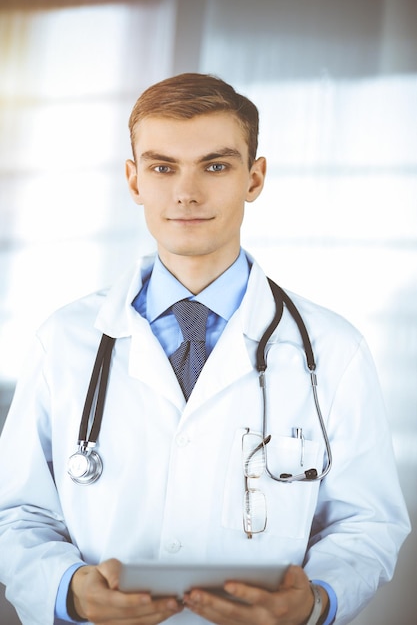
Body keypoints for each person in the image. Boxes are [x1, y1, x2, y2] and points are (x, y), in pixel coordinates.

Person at [0, 73, 410, 625]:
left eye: (215, 165)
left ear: (255, 177)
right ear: (134, 179)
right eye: (162, 167)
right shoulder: (66, 340)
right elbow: (15, 512)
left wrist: (317, 600)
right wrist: (68, 591)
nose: (186, 193)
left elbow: (367, 523)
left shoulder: (334, 350)